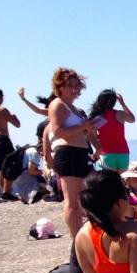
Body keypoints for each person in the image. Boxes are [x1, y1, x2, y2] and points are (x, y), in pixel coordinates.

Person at [47, 68, 100, 242]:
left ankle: (79, 237)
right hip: (68, 153)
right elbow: (58, 131)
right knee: (71, 201)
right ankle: (75, 239)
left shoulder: (74, 108)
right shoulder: (57, 104)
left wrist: (87, 129)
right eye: (69, 85)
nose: (74, 89)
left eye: (77, 85)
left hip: (79, 152)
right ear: (60, 86)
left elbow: (76, 133)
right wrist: (83, 126)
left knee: (80, 200)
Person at [88, 90, 136, 172]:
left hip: (107, 153)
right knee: (121, 179)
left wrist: (96, 154)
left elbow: (95, 139)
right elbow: (132, 119)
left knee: (109, 179)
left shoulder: (97, 118)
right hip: (123, 152)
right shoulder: (120, 114)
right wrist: (123, 104)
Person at [0, 88, 22, 200]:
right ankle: (6, 191)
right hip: (3, 139)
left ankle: (4, 192)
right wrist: (14, 117)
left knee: (0, 167)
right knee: (12, 163)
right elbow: (17, 124)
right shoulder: (2, 109)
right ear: (1, 97)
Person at [15, 122, 50, 204]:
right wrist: (45, 172)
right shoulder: (36, 152)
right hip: (28, 186)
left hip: (18, 184)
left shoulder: (30, 146)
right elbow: (31, 171)